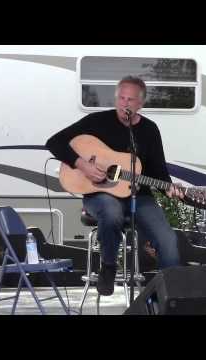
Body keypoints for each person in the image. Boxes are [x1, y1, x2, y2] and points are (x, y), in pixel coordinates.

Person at [46, 75, 184, 296]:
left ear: (141, 104)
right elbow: (54, 142)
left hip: (140, 197)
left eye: (130, 100)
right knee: (111, 212)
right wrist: (83, 165)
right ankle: (108, 266)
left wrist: (169, 188)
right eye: (121, 98)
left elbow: (158, 172)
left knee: (167, 238)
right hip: (98, 195)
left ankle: (174, 295)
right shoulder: (96, 122)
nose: (124, 104)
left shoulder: (149, 130)